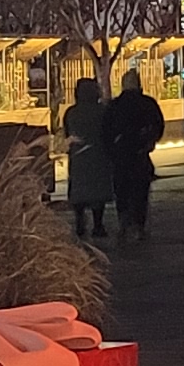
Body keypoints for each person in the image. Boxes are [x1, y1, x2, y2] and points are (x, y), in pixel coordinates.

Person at [109, 64, 167, 242]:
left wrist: (112, 150)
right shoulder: (148, 104)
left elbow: (106, 132)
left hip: (120, 156)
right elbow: (158, 125)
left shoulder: (114, 106)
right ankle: (139, 226)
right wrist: (150, 142)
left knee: (122, 191)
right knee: (140, 191)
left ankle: (124, 223)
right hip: (141, 154)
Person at [62, 75, 117, 241]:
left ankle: (80, 222)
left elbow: (67, 134)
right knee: (98, 190)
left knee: (79, 189)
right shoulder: (103, 111)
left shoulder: (71, 113)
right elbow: (109, 132)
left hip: (79, 156)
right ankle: (98, 225)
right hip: (99, 155)